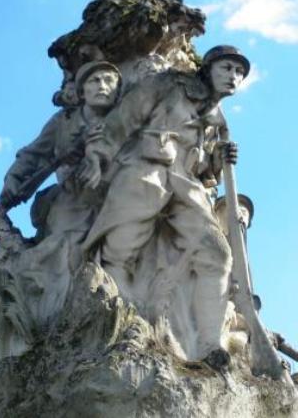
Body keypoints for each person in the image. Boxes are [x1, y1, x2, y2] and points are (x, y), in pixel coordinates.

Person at [77, 45, 250, 366]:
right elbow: (124, 118)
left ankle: (211, 345)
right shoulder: (168, 84)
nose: (233, 77)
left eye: (239, 72)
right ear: (208, 68)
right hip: (145, 171)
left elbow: (206, 170)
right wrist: (98, 157)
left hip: (186, 185)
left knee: (217, 254)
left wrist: (218, 159)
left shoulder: (218, 120)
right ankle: (124, 329)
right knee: (118, 251)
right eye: (227, 68)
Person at [0, 60, 122, 322]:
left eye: (109, 80)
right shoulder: (62, 123)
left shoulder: (127, 118)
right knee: (65, 251)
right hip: (74, 199)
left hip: (118, 196)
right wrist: (13, 178)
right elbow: (33, 154)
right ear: (82, 91)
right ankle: (69, 321)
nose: (102, 86)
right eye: (94, 80)